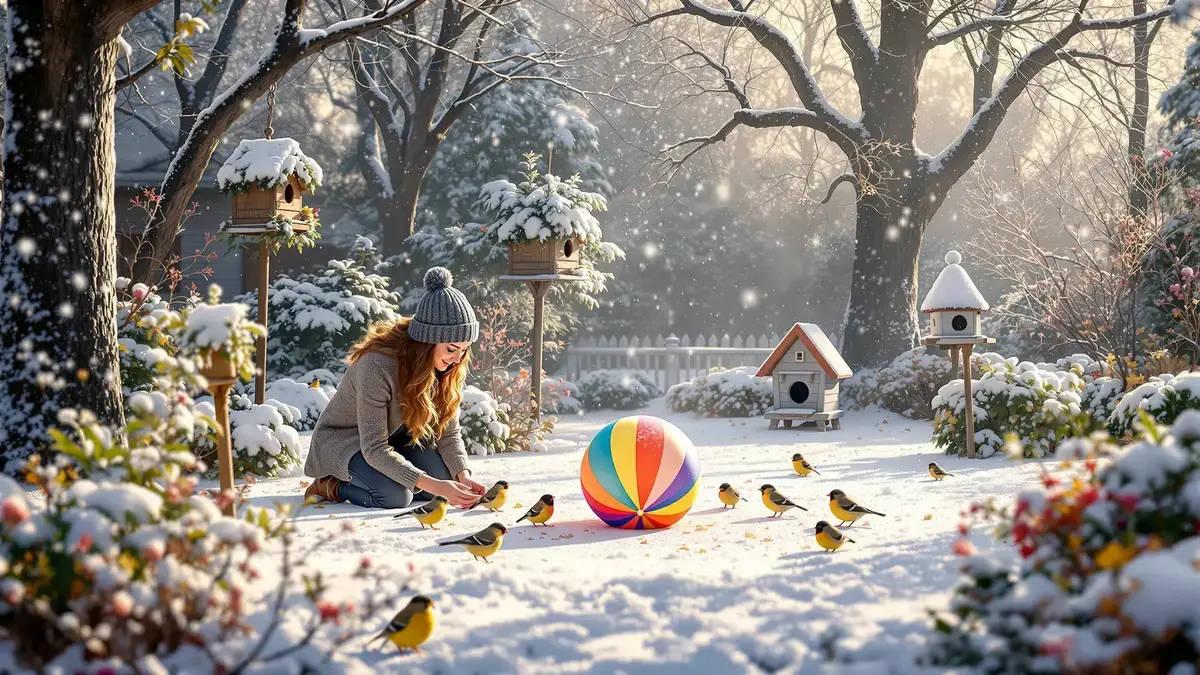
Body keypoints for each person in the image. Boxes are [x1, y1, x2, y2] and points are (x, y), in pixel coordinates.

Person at [303, 267, 487, 510]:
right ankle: (330, 485)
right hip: (346, 440)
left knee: (441, 486)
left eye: (464, 350)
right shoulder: (377, 366)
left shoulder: (449, 366)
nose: (457, 358)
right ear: (427, 341)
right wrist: (432, 483)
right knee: (395, 497)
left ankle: (405, 478)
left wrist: (463, 475)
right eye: (451, 349)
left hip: (395, 438)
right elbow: (375, 447)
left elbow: (448, 433)